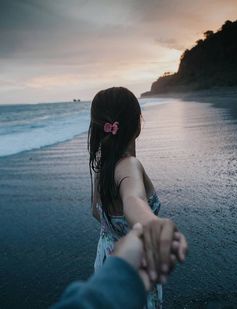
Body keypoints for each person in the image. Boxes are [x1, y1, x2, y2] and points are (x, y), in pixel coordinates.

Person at [88, 87, 187, 308]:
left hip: (106, 261)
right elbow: (134, 199)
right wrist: (152, 224)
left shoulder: (101, 166)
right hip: (132, 266)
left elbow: (96, 211)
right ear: (137, 124)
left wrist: (115, 230)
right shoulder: (129, 165)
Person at [50, 223, 186, 309]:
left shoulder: (100, 178)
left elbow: (96, 212)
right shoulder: (127, 176)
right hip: (131, 261)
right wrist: (154, 226)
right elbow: (134, 199)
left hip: (109, 253)